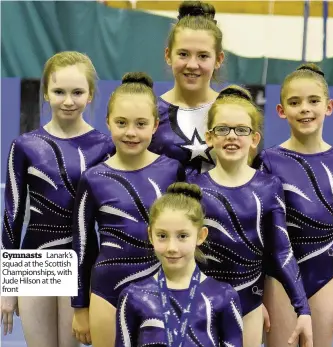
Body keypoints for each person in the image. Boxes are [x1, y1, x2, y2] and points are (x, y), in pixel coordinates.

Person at [1, 51, 114, 347]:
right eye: (59, 92)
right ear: (46, 94)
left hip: (80, 259)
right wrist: (8, 287)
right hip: (35, 259)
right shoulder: (25, 146)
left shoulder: (104, 147)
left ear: (90, 95)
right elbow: (12, 216)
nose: (68, 100)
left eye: (77, 92)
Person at [188, 86, 314, 347]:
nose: (231, 136)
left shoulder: (269, 187)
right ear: (209, 137)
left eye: (241, 130)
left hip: (249, 308)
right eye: (222, 129)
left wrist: (303, 309)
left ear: (254, 139)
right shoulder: (194, 188)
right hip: (199, 306)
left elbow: (282, 251)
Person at [71, 72, 185, 347]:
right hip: (106, 290)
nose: (131, 132)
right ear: (108, 122)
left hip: (162, 286)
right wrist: (79, 306)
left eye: (140, 124)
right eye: (121, 123)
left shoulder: (171, 171)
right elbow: (82, 245)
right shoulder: (94, 178)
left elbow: (186, 234)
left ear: (155, 125)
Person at [253, 63, 333, 347]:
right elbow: (260, 232)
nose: (305, 108)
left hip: (325, 277)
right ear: (281, 111)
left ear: (329, 106)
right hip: (279, 279)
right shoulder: (269, 161)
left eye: (313, 101)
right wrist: (254, 297)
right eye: (294, 102)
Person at [114, 182, 244, 347]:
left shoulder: (223, 296)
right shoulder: (133, 296)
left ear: (200, 236)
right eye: (162, 235)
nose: (172, 248)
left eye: (182, 236)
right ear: (150, 235)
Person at [149, 0, 224, 173]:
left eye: (203, 56)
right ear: (168, 55)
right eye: (183, 54)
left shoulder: (233, 111)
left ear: (218, 60)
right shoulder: (151, 112)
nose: (192, 64)